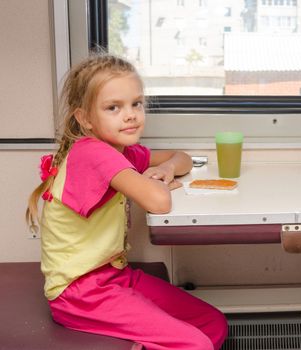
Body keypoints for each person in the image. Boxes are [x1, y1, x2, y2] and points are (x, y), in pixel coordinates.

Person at [25, 54, 228, 350]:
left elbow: (182, 157)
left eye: (136, 103)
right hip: (80, 292)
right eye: (113, 108)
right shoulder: (92, 153)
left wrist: (166, 170)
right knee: (196, 344)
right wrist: (156, 184)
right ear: (84, 119)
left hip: (114, 276)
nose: (131, 114)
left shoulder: (122, 151)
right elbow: (159, 202)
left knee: (212, 323)